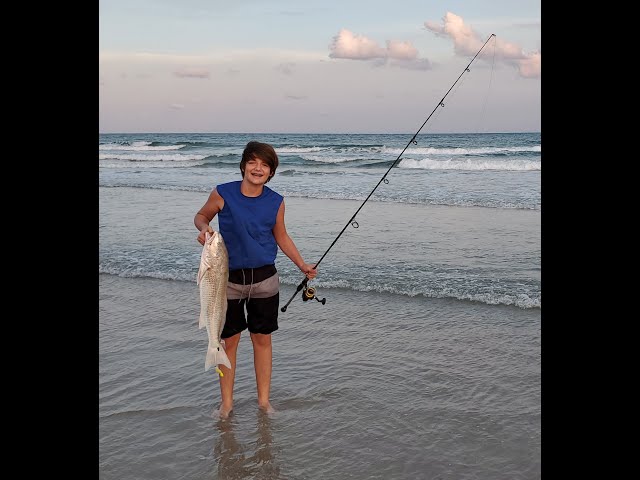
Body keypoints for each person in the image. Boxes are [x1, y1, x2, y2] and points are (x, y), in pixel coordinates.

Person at [194, 140, 317, 418]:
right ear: (243, 166)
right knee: (230, 342)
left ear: (271, 172)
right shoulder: (222, 193)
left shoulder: (276, 201)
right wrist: (204, 229)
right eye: (252, 162)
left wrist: (301, 264)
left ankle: (264, 402)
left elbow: (281, 236)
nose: (258, 168)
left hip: (264, 280)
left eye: (265, 164)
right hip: (228, 279)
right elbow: (201, 216)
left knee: (262, 341)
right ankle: (227, 404)